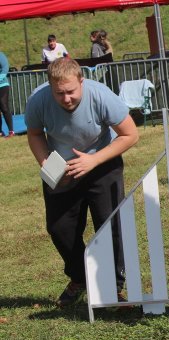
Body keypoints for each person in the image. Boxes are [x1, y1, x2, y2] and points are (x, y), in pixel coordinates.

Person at [25, 57, 139, 307]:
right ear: (50, 87)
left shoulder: (101, 96)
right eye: (59, 93)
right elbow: (34, 134)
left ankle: (112, 287)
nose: (66, 98)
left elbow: (130, 134)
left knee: (110, 225)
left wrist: (93, 160)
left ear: (82, 81)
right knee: (59, 228)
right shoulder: (37, 100)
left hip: (102, 161)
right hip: (60, 164)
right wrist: (46, 164)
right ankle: (79, 277)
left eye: (71, 92)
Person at [0, 51, 14, 139]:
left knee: (4, 107)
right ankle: (0, 132)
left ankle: (11, 131)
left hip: (2, 85)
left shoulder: (0, 55)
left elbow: (5, 67)